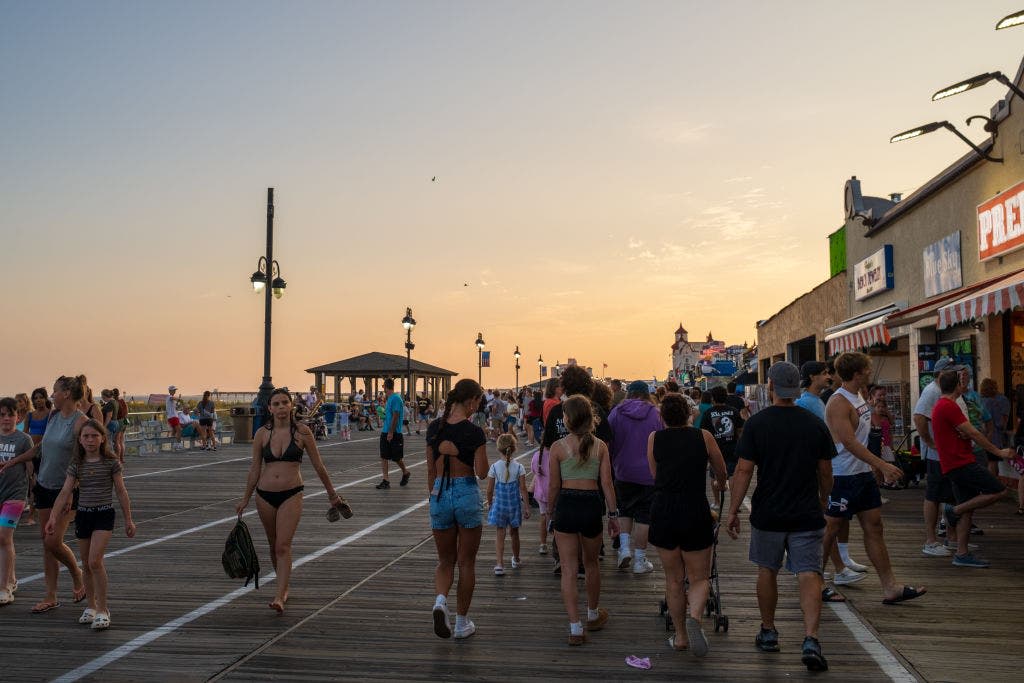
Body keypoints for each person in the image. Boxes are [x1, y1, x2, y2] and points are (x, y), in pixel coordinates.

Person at [726, 362, 835, 671]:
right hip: (806, 511)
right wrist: (824, 498)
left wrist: (733, 510)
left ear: (771, 386)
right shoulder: (814, 424)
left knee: (767, 570)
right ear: (797, 387)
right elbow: (825, 471)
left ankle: (769, 630)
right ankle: (811, 638)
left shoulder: (758, 424)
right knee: (809, 573)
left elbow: (744, 470)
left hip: (768, 512)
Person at [823, 352, 925, 605]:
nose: (870, 372)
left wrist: (873, 469)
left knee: (875, 527)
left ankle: (890, 586)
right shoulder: (838, 403)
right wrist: (882, 465)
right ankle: (814, 580)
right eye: (866, 370)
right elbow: (848, 441)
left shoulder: (858, 395)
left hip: (861, 474)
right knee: (829, 529)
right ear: (857, 373)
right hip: (842, 475)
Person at [236, 389, 350, 613]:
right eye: (276, 404)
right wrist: (245, 499)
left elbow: (319, 466)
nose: (280, 407)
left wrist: (332, 495)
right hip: (264, 495)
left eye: (284, 403)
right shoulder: (261, 434)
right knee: (272, 544)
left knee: (282, 545)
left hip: (292, 494)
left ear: (291, 406)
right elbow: (255, 468)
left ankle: (279, 596)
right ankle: (284, 585)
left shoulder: (303, 432)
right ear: (269, 408)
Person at [0, 375, 89, 613]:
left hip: (66, 489)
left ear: (67, 393)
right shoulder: (54, 416)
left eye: (54, 392)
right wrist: (14, 461)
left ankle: (77, 573)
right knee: (46, 543)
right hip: (44, 486)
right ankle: (51, 595)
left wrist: (71, 490)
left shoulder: (81, 422)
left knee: (53, 540)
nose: (52, 396)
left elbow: (83, 458)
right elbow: (41, 448)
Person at [649, 393, 727, 656]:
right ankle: (695, 617)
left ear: (663, 417)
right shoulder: (703, 436)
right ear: (688, 414)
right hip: (694, 508)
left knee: (673, 579)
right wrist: (719, 482)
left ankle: (681, 636)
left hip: (664, 510)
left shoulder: (654, 439)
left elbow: (654, 475)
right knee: (699, 577)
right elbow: (721, 469)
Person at [45, 420, 135, 629]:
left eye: (94, 436)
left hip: (103, 514)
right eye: (86, 436)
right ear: (80, 440)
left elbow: (121, 491)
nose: (90, 440)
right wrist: (53, 517)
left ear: (103, 438)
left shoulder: (110, 462)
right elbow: (65, 492)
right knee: (85, 563)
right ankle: (91, 606)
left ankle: (103, 609)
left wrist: (129, 519)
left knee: (95, 561)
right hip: (84, 515)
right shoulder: (77, 464)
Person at [547, 395, 620, 645]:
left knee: (568, 568)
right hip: (591, 504)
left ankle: (575, 627)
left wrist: (549, 512)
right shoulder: (600, 446)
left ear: (567, 419)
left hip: (566, 503)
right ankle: (592, 613)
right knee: (591, 564)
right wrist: (613, 514)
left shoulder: (558, 448)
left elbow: (554, 486)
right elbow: (607, 484)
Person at [931, 370, 1015, 567]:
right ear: (957, 386)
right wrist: (999, 452)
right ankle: (953, 511)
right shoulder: (949, 406)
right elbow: (975, 433)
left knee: (968, 509)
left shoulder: (943, 406)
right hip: (960, 463)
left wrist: (964, 435)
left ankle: (961, 553)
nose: (965, 385)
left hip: (955, 462)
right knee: (999, 490)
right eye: (963, 382)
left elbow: (963, 432)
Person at [427, 379, 489, 640]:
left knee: (445, 560)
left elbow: (431, 470)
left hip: (439, 493)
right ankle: (462, 623)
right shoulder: (474, 432)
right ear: (471, 401)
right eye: (478, 401)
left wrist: (433, 499)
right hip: (465, 493)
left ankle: (440, 601)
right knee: (466, 562)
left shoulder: (434, 429)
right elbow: (483, 473)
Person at [795, 361, 866, 590]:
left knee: (832, 520)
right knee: (827, 521)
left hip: (829, 466)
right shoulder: (807, 403)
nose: (828, 376)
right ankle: (832, 569)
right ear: (812, 377)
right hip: (820, 468)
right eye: (824, 373)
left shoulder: (818, 401)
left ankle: (840, 565)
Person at [607, 380, 664, 574]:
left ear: (629, 393)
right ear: (646, 394)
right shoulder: (656, 413)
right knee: (643, 517)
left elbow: (609, 441)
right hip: (649, 473)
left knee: (624, 511)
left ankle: (624, 549)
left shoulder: (616, 413)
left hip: (622, 471)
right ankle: (640, 561)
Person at [914, 356, 965, 557]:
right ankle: (931, 540)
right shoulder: (932, 391)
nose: (957, 375)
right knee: (934, 495)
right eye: (953, 371)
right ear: (941, 374)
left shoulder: (945, 391)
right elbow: (919, 417)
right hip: (938, 456)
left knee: (950, 495)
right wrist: (930, 443)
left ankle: (951, 537)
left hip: (949, 454)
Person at [0, 397, 34, 606]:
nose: (6, 418)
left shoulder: (24, 440)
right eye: (2, 414)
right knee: (3, 540)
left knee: (3, 537)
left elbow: (30, 467)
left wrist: (34, 493)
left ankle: (4, 588)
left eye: (10, 414)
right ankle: (11, 578)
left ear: (18, 417)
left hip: (15, 495)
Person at [486, 433, 530, 575]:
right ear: (514, 448)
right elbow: (523, 489)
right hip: (514, 506)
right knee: (514, 533)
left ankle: (499, 564)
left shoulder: (494, 467)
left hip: (499, 505)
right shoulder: (519, 467)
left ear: (499, 449)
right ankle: (516, 559)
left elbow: (489, 490)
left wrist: (490, 503)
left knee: (500, 534)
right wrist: (527, 507)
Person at [699, 385, 744, 482]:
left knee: (715, 475)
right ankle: (733, 497)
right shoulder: (734, 411)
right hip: (732, 448)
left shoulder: (708, 413)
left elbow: (703, 432)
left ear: (713, 398)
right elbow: (740, 431)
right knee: (732, 476)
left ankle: (716, 498)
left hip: (715, 449)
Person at [22, 387, 51, 527]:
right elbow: (25, 433)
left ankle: (46, 511)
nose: (38, 400)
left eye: (40, 397)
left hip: (45, 452)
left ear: (45, 398)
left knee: (43, 482)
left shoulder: (50, 414)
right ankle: (31, 515)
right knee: (32, 482)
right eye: (35, 398)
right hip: (31, 452)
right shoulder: (30, 415)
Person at [376, 378, 411, 490]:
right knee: (384, 456)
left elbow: (396, 415)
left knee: (396, 457)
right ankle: (386, 480)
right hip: (385, 431)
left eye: (383, 387)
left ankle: (405, 472)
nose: (383, 389)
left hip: (394, 432)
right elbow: (390, 415)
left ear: (386, 386)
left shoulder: (396, 398)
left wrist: (391, 432)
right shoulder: (389, 398)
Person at [979, 378, 1010, 478]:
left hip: (980, 437)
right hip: (993, 438)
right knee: (993, 462)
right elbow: (1000, 423)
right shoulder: (994, 402)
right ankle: (994, 487)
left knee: (985, 463)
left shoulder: (978, 401)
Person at [111, 388, 129, 461]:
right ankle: (122, 458)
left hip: (119, 421)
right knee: (121, 441)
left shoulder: (114, 402)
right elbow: (127, 411)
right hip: (125, 420)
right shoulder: (122, 401)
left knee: (116, 441)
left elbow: (113, 414)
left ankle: (118, 459)